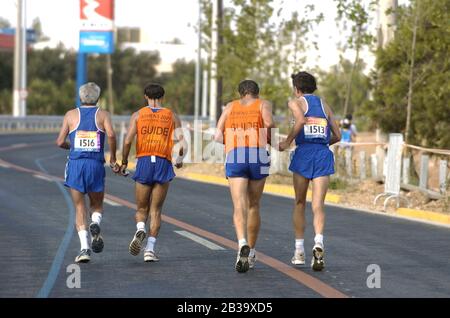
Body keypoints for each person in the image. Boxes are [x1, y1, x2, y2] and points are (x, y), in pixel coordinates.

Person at [279, 72, 341, 271]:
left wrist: (287, 142)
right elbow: (337, 135)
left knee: (299, 202)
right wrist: (322, 143)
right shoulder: (325, 106)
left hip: (304, 153)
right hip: (322, 154)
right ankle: (319, 243)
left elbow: (300, 122)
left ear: (296, 89)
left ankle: (299, 251)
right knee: (318, 205)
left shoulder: (295, 103)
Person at [120, 83, 186, 262]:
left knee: (142, 208)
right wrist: (179, 161)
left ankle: (140, 228)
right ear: (162, 97)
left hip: (144, 161)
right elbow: (182, 143)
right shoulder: (172, 116)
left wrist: (124, 161)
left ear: (145, 96)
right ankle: (149, 250)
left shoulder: (138, 115)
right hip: (163, 162)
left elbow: (127, 141)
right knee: (156, 210)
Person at [215, 80, 275, 273]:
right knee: (254, 205)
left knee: (239, 204)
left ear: (241, 93)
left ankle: (241, 243)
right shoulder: (263, 104)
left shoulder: (230, 106)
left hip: (236, 154)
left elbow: (217, 135)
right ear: (257, 93)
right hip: (258, 154)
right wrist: (274, 143)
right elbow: (269, 124)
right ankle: (252, 251)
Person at [56, 82, 119, 263]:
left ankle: (84, 249)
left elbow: (60, 142)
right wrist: (113, 158)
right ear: (98, 98)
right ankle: (95, 223)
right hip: (95, 165)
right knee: (97, 205)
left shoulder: (70, 115)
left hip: (76, 165)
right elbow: (113, 135)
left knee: (79, 207)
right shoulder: (103, 115)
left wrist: (72, 145)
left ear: (80, 97)